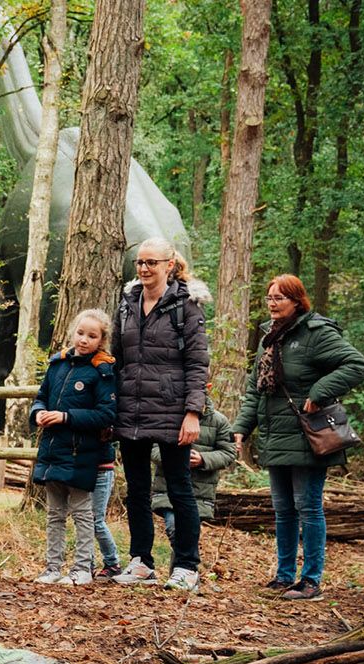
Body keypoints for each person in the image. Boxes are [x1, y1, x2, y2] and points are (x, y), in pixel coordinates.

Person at [231, 275, 364, 601]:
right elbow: (256, 391)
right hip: (275, 436)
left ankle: (311, 581)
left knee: (308, 507)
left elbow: (357, 365)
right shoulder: (270, 336)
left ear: (297, 300)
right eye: (269, 297)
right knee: (283, 509)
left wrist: (320, 391)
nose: (272, 302)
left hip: (308, 436)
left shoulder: (316, 333)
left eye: (280, 297)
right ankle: (283, 576)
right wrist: (242, 428)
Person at [111, 238, 211, 591]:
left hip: (172, 410)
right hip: (131, 410)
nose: (143, 269)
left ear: (170, 265)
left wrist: (192, 412)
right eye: (140, 262)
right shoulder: (126, 303)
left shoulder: (187, 306)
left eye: (151, 262)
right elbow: (117, 358)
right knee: (136, 490)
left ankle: (186, 565)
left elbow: (198, 363)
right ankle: (141, 561)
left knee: (179, 488)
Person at [29, 309, 117, 586]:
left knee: (82, 514)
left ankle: (81, 569)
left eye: (92, 336)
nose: (84, 340)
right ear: (73, 332)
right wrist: (39, 413)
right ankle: (52, 568)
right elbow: (41, 396)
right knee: (54, 514)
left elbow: (106, 414)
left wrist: (67, 417)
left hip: (82, 454)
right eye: (80, 333)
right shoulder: (57, 364)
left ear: (101, 340)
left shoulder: (102, 372)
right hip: (53, 451)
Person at [151, 396, 238, 541]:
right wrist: (178, 459)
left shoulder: (219, 421)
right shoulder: (167, 417)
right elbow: (153, 450)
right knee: (174, 528)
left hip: (201, 493)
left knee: (188, 534)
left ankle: (182, 563)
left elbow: (229, 453)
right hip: (168, 490)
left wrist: (203, 459)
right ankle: (184, 562)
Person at [92, 442, 123, 580]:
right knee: (83, 520)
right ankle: (87, 564)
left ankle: (112, 563)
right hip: (82, 469)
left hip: (102, 469)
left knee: (96, 521)